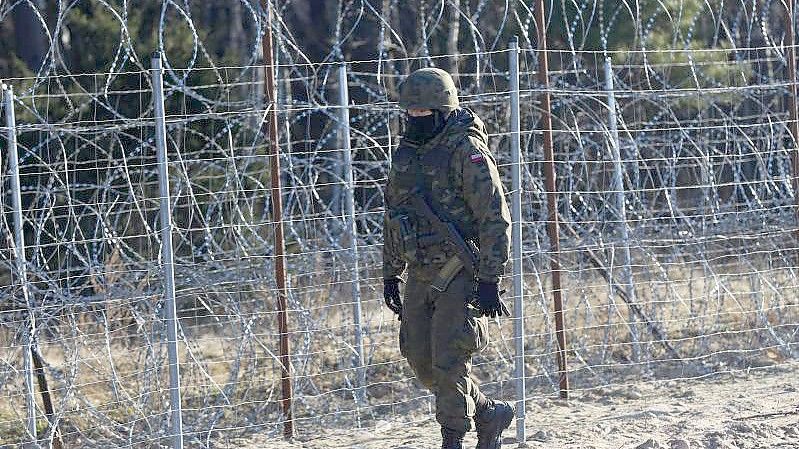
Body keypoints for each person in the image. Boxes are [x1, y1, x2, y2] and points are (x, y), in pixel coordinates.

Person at [382, 67, 515, 449]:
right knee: (420, 359)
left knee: (449, 358)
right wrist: (391, 272)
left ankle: (452, 438)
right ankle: (489, 412)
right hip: (419, 269)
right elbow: (394, 215)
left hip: (460, 271)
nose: (415, 120)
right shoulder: (406, 153)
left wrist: (490, 279)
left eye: (423, 114)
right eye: (411, 115)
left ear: (442, 111)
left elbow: (494, 217)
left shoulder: (467, 151)